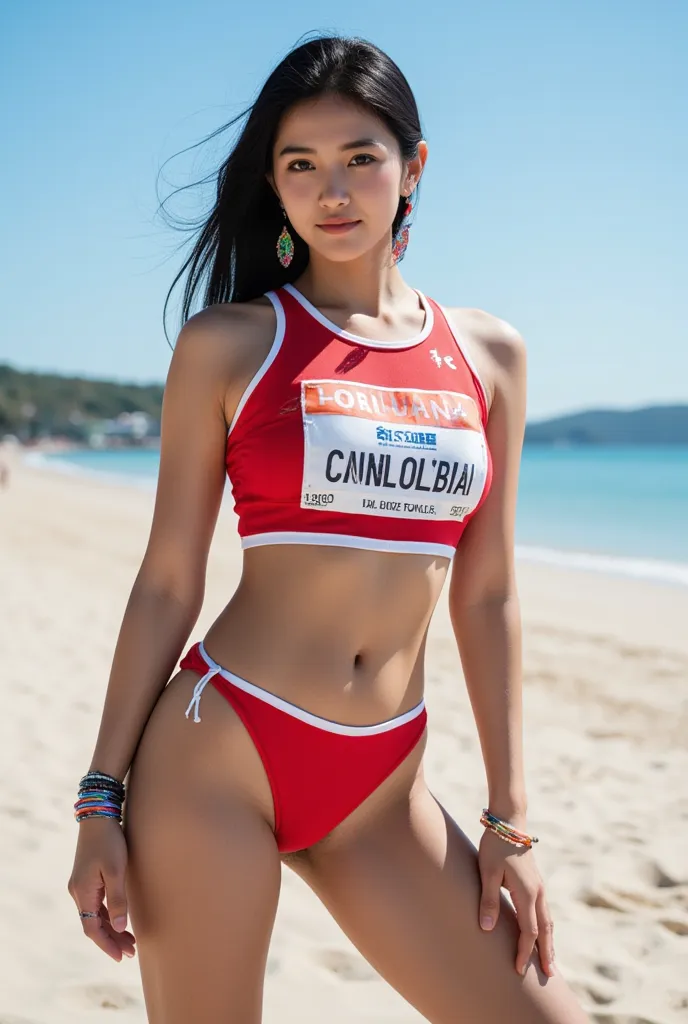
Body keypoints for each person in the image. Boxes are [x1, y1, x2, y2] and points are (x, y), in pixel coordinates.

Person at [68, 35, 590, 1024]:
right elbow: (166, 582)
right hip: (218, 750)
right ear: (272, 182)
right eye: (300, 164)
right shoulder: (231, 345)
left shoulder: (488, 356)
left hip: (381, 782)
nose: (333, 189)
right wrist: (100, 798)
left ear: (413, 165)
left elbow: (488, 594)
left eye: (360, 157)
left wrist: (510, 823)